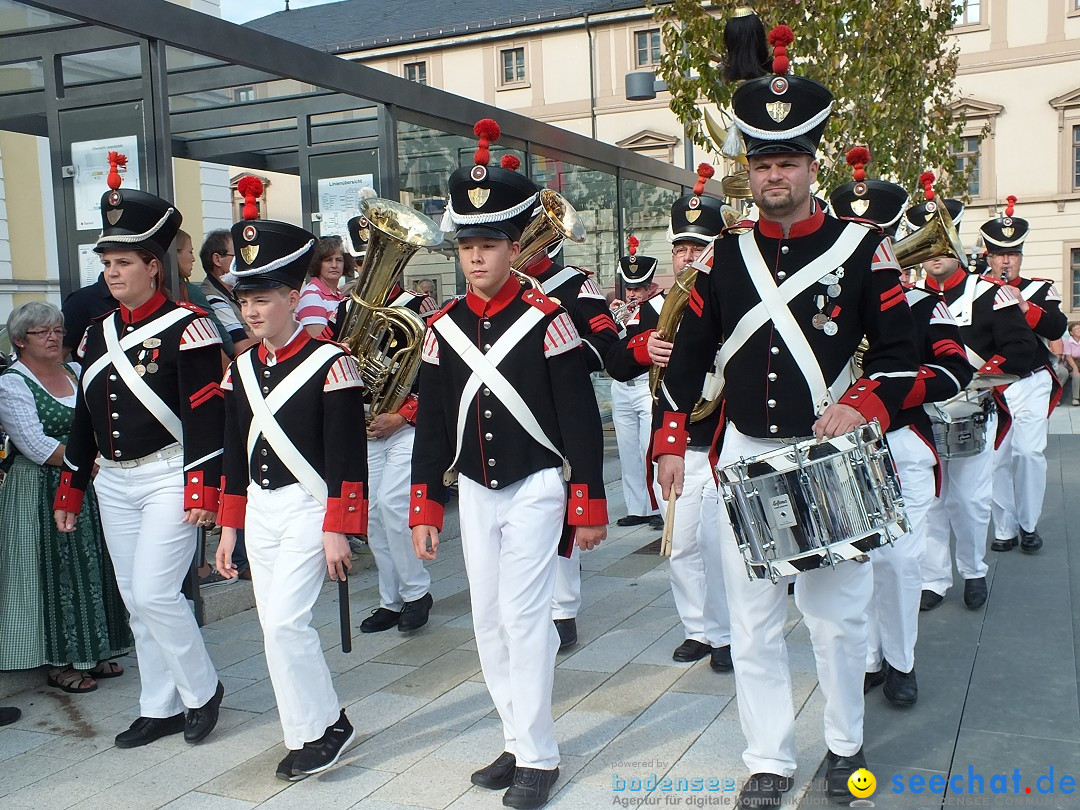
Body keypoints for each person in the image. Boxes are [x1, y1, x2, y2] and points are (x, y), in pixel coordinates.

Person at [654, 29, 920, 806]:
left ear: (813, 166)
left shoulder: (861, 251)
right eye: (763, 163)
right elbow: (691, 357)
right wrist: (673, 437)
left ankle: (843, 745)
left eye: (789, 162)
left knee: (835, 618)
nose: (775, 176)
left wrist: (863, 402)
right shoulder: (721, 257)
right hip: (742, 453)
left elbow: (903, 354)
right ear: (751, 170)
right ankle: (768, 757)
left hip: (826, 454)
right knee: (754, 618)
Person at [410, 118, 607, 810]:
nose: (475, 258)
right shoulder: (442, 330)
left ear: (515, 245)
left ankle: (540, 756)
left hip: (535, 487)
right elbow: (432, 426)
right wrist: (425, 506)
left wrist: (587, 502)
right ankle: (517, 737)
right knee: (488, 622)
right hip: (477, 488)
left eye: (488, 244)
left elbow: (579, 417)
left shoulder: (547, 316)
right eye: (466, 245)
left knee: (525, 620)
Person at [53, 166, 225, 750]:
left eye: (123, 262)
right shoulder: (96, 332)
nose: (112, 273)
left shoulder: (190, 328)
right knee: (136, 599)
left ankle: (201, 692)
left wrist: (204, 488)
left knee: (155, 593)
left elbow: (206, 414)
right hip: (114, 483)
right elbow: (84, 416)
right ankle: (160, 705)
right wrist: (72, 486)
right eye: (106, 263)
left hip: (168, 475)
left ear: (153, 264)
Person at [215, 193, 366, 781]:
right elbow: (234, 450)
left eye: (263, 298)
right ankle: (319, 726)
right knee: (271, 626)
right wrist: (229, 528)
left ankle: (318, 731)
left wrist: (339, 529)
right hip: (260, 508)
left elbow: (349, 455)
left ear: (292, 298)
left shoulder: (331, 362)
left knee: (286, 623)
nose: (252, 311)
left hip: (310, 506)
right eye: (245, 299)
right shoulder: (241, 367)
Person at [831, 158, 972, 707]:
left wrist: (887, 394)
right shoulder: (817, 303)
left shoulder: (921, 303)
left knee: (899, 560)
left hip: (902, 444)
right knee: (854, 558)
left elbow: (954, 368)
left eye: (878, 236)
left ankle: (901, 660)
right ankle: (867, 657)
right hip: (840, 448)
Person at [618, 163, 733, 671]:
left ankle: (728, 633)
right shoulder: (658, 305)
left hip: (726, 440)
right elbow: (623, 360)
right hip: (681, 440)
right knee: (682, 544)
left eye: (698, 246)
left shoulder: (736, 297)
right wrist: (648, 349)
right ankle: (698, 630)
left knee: (722, 546)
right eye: (682, 248)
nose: (689, 256)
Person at [912, 187, 1040, 611]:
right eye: (923, 241)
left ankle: (972, 570)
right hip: (922, 417)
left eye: (940, 241)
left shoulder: (988, 295)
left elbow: (1023, 348)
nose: (933, 253)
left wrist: (979, 379)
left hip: (971, 414)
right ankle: (934, 578)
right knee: (930, 502)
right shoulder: (906, 299)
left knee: (968, 501)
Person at [0, 302, 133, 693]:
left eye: (57, 330)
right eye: (43, 332)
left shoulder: (76, 371)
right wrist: (84, 459)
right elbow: (34, 443)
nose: (54, 337)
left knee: (96, 567)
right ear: (20, 341)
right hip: (41, 490)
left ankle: (96, 648)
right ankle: (61, 661)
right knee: (57, 574)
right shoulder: (12, 383)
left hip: (89, 481)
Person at [516, 176, 618, 650]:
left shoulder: (573, 283)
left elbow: (605, 346)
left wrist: (558, 354)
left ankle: (562, 610)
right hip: (509, 414)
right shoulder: (499, 286)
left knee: (558, 508)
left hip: (556, 412)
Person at [348, 211, 439, 637]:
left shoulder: (419, 308)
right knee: (370, 516)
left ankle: (417, 593)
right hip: (365, 426)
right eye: (365, 258)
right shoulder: (346, 310)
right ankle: (392, 599)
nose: (370, 266)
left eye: (378, 256)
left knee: (392, 505)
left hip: (405, 425)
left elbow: (437, 377)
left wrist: (401, 415)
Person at [981, 198, 1066, 554]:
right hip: (992, 385)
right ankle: (1005, 528)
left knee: (1029, 453)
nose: (1005, 261)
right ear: (988, 256)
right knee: (996, 458)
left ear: (1020, 256)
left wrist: (1023, 304)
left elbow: (1056, 325)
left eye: (1012, 253)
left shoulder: (1040, 289)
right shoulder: (977, 291)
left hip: (1031, 380)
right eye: (999, 253)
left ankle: (1028, 524)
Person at [605, 237, 664, 531]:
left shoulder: (660, 305)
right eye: (629, 288)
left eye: (639, 288)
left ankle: (657, 507)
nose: (633, 293)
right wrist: (615, 319)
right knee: (628, 450)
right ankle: (637, 508)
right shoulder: (618, 311)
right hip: (621, 387)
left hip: (646, 385)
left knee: (647, 448)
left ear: (650, 286)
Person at [199, 228, 256, 357]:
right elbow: (241, 346)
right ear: (217, 259)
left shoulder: (234, 290)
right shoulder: (212, 295)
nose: (244, 261)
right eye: (238, 256)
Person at [298, 236, 354, 340]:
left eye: (339, 260)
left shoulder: (341, 296)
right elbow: (319, 342)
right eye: (328, 260)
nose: (334, 265)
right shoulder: (310, 295)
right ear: (318, 264)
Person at [61, 272, 118, 363]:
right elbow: (58, 356)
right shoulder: (80, 300)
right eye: (107, 263)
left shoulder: (144, 299)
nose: (113, 272)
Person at [1063, 322, 1080, 405]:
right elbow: (1068, 357)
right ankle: (1076, 398)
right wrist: (1075, 368)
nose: (1079, 330)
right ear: (1071, 333)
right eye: (1077, 329)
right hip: (1072, 364)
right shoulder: (1068, 342)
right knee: (1076, 375)